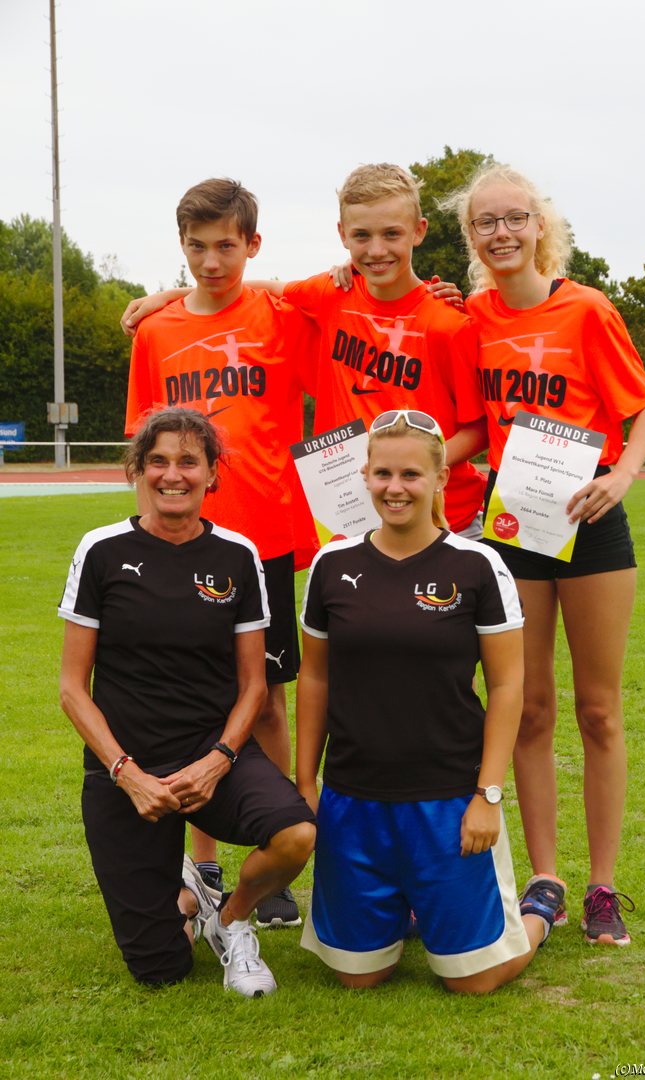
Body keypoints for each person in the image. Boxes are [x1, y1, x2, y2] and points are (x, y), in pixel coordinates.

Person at [445, 163, 645, 946]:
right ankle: (548, 879)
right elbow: (476, 425)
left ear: (539, 225)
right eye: (484, 222)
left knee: (597, 710)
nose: (501, 232)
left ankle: (602, 886)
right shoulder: (471, 319)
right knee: (529, 708)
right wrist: (420, 456)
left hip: (590, 523)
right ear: (470, 237)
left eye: (514, 218)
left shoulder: (586, 309)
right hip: (516, 528)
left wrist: (621, 475)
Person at [295, 410, 566, 993]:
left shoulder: (478, 565)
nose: (395, 488)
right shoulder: (331, 564)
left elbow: (508, 686)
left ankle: (539, 909)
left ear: (441, 478)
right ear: (365, 475)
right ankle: (409, 903)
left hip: (448, 800)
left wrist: (487, 796)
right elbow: (314, 679)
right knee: (358, 977)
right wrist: (306, 782)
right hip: (354, 798)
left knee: (476, 980)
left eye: (411, 475)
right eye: (383, 473)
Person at [58, 408, 315, 996]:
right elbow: (72, 688)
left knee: (297, 834)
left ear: (212, 473)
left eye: (188, 462)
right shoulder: (101, 549)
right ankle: (187, 896)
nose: (172, 475)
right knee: (161, 969)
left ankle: (230, 919)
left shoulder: (237, 554)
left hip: (211, 754)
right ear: (139, 470)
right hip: (127, 766)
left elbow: (254, 687)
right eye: (158, 461)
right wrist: (126, 773)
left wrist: (219, 759)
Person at [125, 178, 319, 928]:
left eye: (226, 246)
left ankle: (270, 841)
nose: (212, 262)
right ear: (181, 247)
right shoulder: (156, 332)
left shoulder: (281, 317)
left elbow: (345, 309)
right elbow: (143, 441)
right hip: (181, 542)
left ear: (253, 245)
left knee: (266, 698)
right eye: (197, 247)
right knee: (194, 699)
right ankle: (201, 863)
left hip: (263, 538)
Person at [121, 164, 488, 540]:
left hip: (444, 520)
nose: (377, 249)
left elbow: (479, 428)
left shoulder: (448, 322)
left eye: (391, 233)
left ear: (419, 231)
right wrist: (170, 296)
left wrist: (413, 463)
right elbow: (243, 288)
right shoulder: (332, 295)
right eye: (362, 235)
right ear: (343, 235)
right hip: (352, 519)